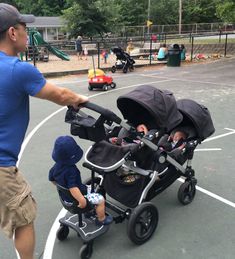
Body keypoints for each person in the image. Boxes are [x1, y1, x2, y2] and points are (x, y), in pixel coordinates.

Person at [0, 3, 88, 259]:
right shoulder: (18, 69)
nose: (28, 34)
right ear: (13, 33)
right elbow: (60, 95)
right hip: (2, 165)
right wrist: (79, 98)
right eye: (25, 28)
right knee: (24, 217)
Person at [49, 136, 113, 226]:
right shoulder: (72, 171)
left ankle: (88, 212)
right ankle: (101, 219)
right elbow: (73, 188)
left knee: (88, 187)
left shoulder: (55, 167)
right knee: (100, 199)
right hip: (76, 201)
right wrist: (82, 200)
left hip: (65, 199)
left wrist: (63, 188)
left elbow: (52, 180)